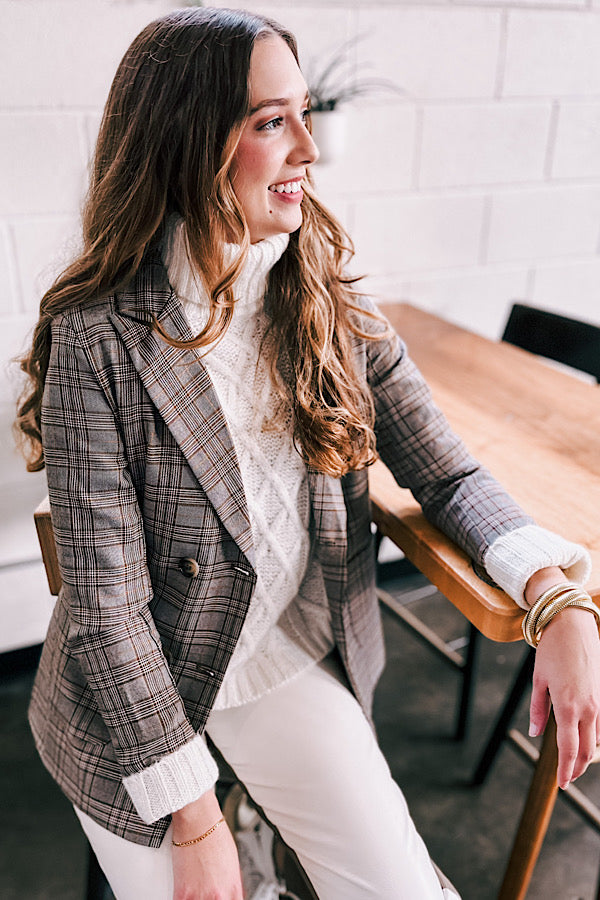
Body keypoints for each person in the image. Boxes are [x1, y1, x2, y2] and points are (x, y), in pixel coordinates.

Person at [15, 8, 600, 900]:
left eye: (305, 112)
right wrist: (195, 817)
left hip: (277, 654)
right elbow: (109, 610)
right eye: (268, 122)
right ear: (188, 143)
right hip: (133, 703)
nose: (308, 150)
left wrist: (554, 596)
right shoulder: (98, 339)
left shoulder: (327, 297)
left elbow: (446, 472)